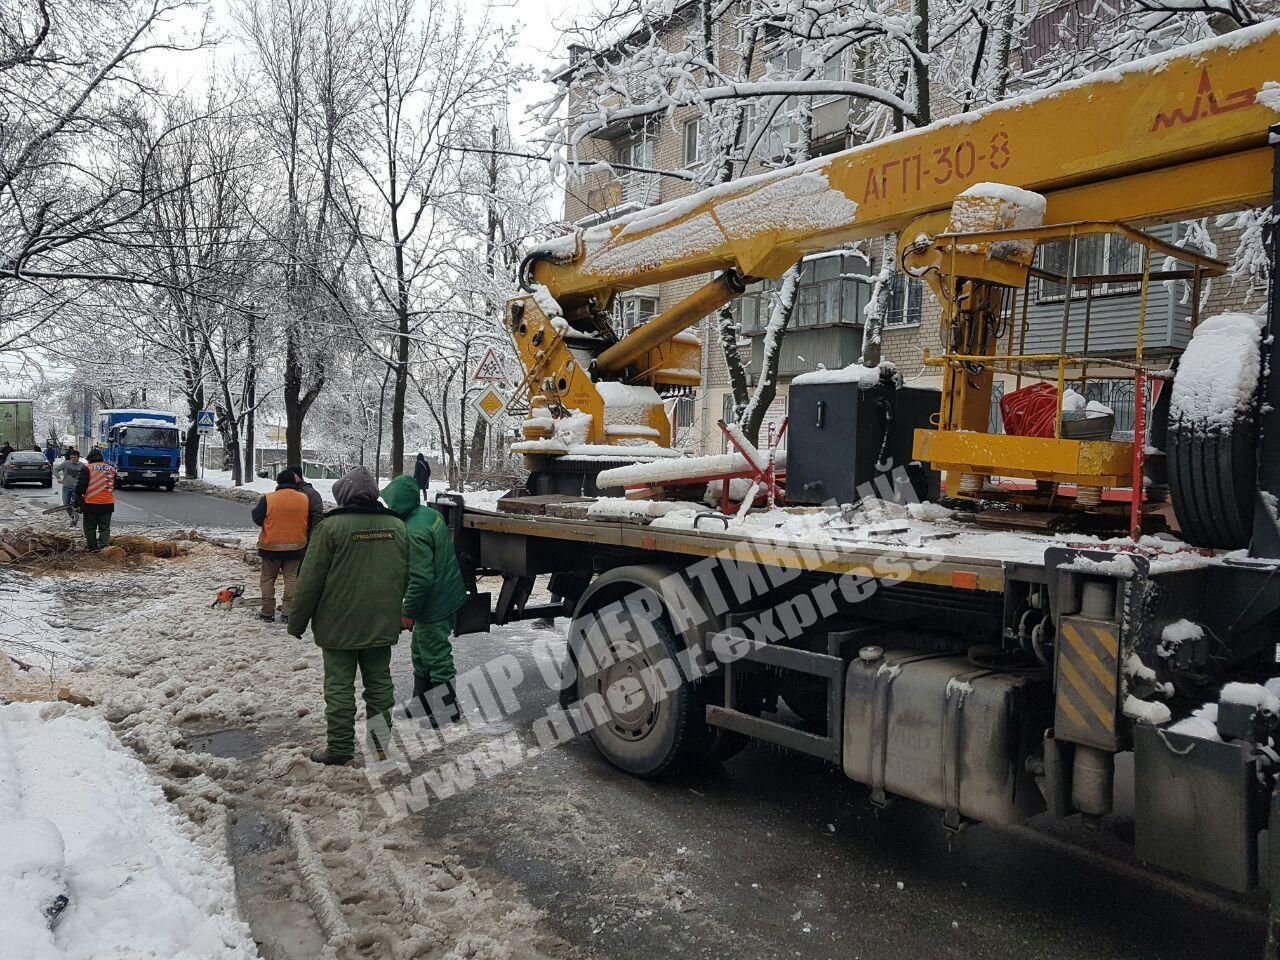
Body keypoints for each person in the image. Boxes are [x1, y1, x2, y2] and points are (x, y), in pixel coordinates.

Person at [288, 466, 408, 766]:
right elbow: (405, 574)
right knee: (379, 685)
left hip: (338, 623)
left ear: (343, 495)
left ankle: (340, 748)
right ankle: (379, 746)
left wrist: (297, 622)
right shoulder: (397, 526)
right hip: (381, 621)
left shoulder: (330, 528)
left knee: (340, 687)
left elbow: (310, 580)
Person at [381, 475, 467, 725]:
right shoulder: (429, 515)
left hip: (434, 603)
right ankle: (421, 704)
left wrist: (407, 611)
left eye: (390, 503)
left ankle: (447, 711)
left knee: (437, 656)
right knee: (420, 651)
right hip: (446, 593)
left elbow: (421, 579)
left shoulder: (413, 531)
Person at [251, 471, 311, 623]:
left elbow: (257, 518)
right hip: (296, 547)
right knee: (291, 580)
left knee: (267, 579)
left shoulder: (268, 499)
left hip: (270, 547)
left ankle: (267, 612)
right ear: (294, 482)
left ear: (278, 482)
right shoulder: (304, 499)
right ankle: (288, 612)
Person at [73, 450, 116, 551]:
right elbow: (115, 484)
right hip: (108, 503)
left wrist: (78, 500)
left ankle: (93, 549)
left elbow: (80, 488)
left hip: (91, 503)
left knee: (90, 528)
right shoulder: (111, 468)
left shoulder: (87, 468)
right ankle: (104, 549)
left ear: (89, 459)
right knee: (104, 528)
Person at [287, 464, 325, 534]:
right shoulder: (285, 492)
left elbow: (317, 516)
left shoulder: (311, 494)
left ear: (298, 476)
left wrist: (312, 536)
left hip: (304, 536)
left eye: (292, 475)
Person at [53, 449, 85, 527]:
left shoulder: (82, 466)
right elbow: (55, 470)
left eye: (75, 457)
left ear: (78, 457)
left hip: (77, 489)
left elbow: (86, 477)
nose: (73, 459)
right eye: (71, 457)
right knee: (66, 504)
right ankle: (72, 516)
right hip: (66, 487)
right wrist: (58, 478)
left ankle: (76, 513)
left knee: (75, 504)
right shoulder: (66, 463)